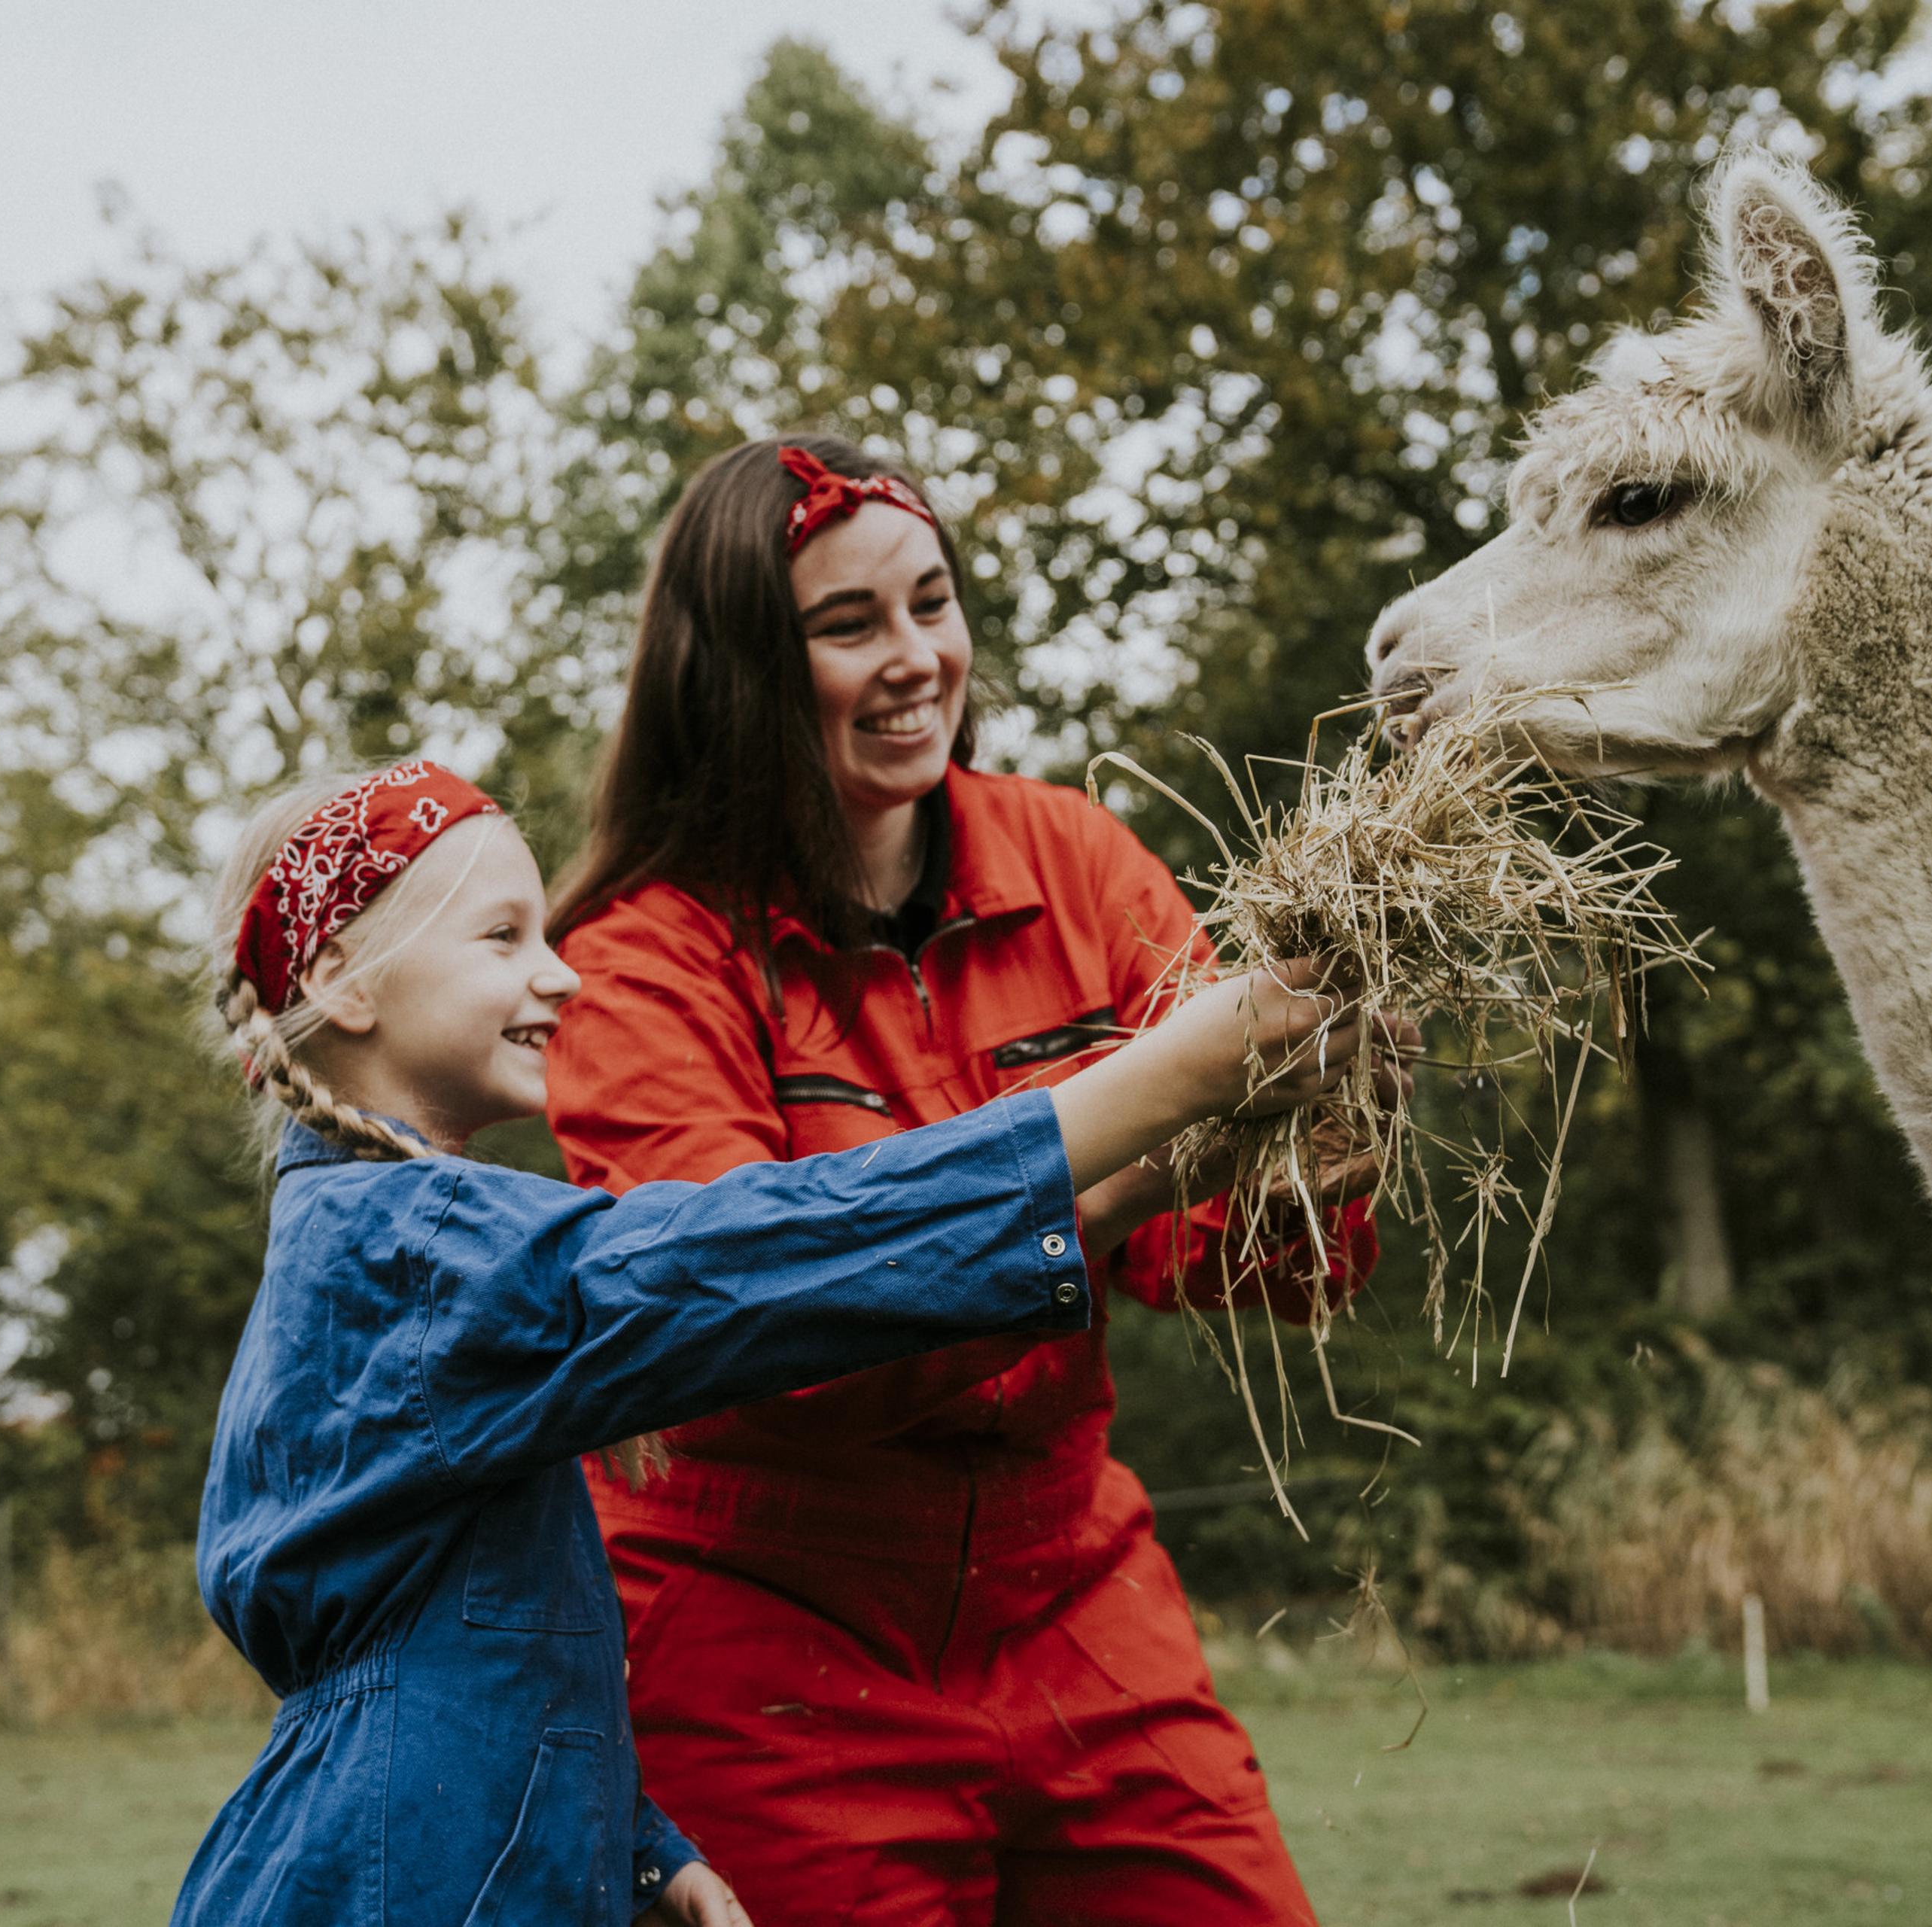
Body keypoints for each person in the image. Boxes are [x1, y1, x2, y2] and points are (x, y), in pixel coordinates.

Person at [168, 758, 1379, 1927]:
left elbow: (474, 1647)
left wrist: (643, 1849)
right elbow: (747, 1265)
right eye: (503, 940)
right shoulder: (410, 1252)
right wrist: (1156, 1087)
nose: (565, 979)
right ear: (342, 980)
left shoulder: (400, 1249)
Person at [545, 436, 1405, 1925]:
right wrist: (1137, 1163)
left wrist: (1306, 1177)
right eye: (847, 625)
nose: (915, 658)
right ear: (743, 667)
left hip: (1071, 1586)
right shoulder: (644, 954)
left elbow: (1234, 1259)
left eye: (932, 603)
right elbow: (762, 1335)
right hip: (766, 1627)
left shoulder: (1072, 860)